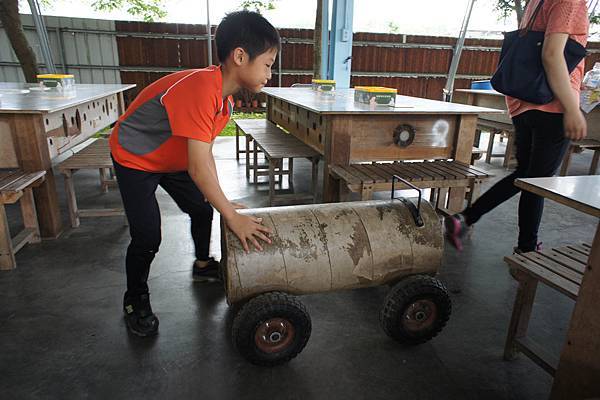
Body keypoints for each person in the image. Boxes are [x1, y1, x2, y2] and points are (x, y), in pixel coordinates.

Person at [109, 10, 279, 337]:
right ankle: (135, 299)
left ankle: (203, 266)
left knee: (202, 208)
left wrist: (224, 204)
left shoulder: (223, 101)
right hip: (135, 157)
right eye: (268, 64)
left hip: (173, 161)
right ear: (240, 56)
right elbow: (199, 168)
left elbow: (203, 158)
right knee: (147, 236)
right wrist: (231, 215)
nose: (270, 74)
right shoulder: (202, 89)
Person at [445, 0, 589, 252]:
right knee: (538, 182)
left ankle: (466, 219)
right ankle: (526, 248)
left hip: (524, 102)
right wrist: (572, 109)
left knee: (525, 175)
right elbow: (551, 54)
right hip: (551, 104)